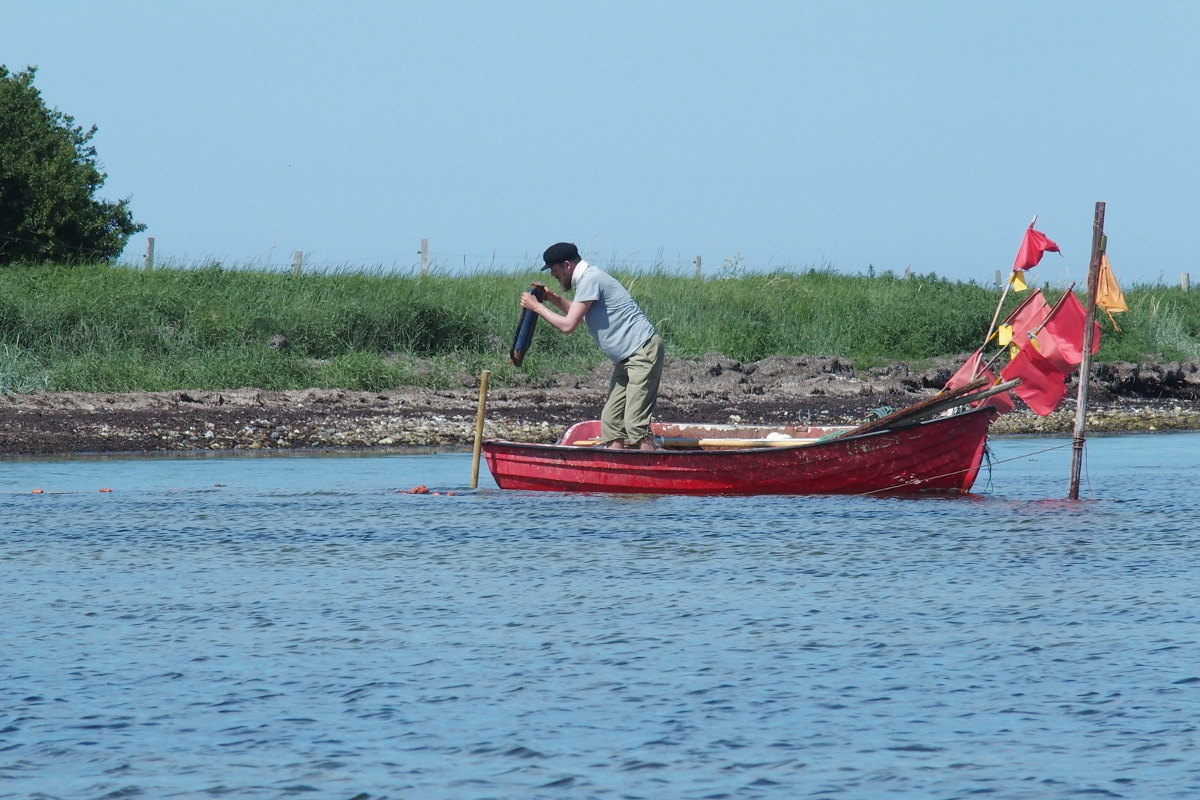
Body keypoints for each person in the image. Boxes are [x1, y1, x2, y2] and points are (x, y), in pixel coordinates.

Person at [520, 242, 664, 450]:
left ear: (567, 265)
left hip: (642, 351)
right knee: (612, 422)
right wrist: (551, 297)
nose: (553, 274)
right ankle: (615, 474)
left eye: (554, 269)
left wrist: (537, 307)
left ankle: (652, 474)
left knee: (635, 424)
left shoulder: (591, 279)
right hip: (626, 359)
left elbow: (568, 325)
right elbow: (577, 313)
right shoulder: (588, 281)